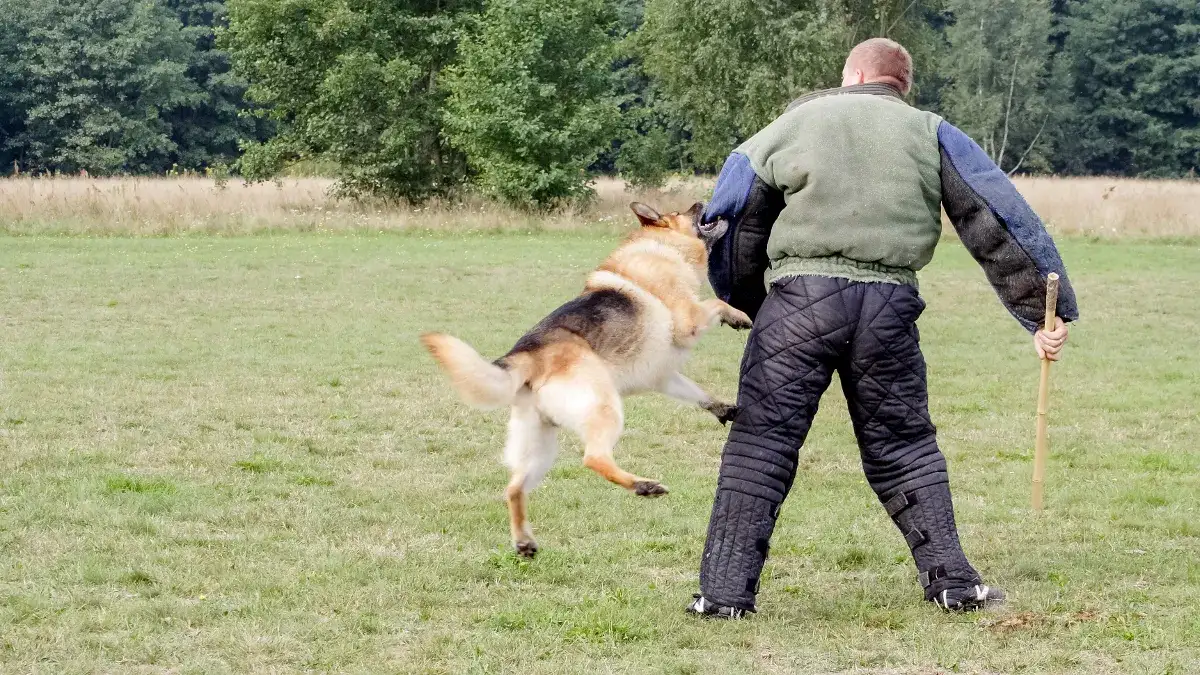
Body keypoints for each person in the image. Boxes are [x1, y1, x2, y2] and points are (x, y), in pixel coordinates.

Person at [686, 38, 1078, 619]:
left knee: (760, 442)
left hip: (800, 304)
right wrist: (1044, 311)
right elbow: (994, 215)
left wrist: (744, 300)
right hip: (889, 306)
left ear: (855, 74)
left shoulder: (795, 122)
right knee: (905, 445)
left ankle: (722, 598)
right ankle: (954, 584)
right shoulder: (930, 130)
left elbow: (732, 212)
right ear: (901, 83)